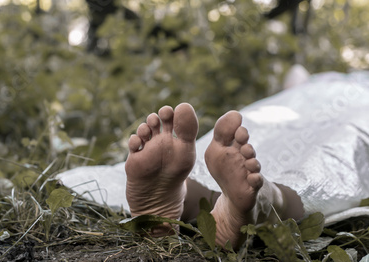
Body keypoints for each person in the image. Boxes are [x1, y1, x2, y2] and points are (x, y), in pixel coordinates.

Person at [58, 71, 369, 249]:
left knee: (322, 141)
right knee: (334, 151)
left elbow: (296, 75)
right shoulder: (327, 80)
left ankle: (218, 198)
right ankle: (247, 200)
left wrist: (303, 78)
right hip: (318, 101)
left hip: (318, 98)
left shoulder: (324, 79)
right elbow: (296, 76)